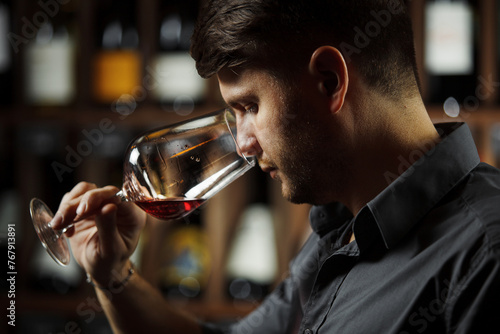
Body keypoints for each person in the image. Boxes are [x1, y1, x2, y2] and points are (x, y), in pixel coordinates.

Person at [51, 0, 500, 333]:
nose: (243, 145)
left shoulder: (485, 257)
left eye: (249, 105)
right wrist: (113, 275)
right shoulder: (342, 226)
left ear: (329, 81)